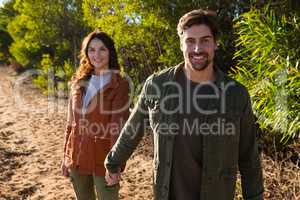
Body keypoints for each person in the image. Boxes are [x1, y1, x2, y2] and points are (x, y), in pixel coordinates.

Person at [104, 9, 264, 200]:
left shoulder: (236, 94)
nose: (197, 49)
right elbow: (132, 129)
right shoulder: (157, 85)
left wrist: (255, 196)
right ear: (181, 44)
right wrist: (113, 163)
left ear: (215, 44)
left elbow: (249, 156)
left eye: (205, 40)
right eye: (190, 41)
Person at [61, 30, 129, 200]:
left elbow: (118, 128)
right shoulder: (78, 82)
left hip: (104, 159)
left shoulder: (119, 84)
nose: (96, 55)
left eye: (102, 49)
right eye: (91, 50)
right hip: (77, 156)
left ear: (110, 52)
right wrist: (65, 156)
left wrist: (115, 165)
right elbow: (70, 123)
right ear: (86, 53)